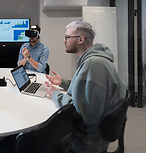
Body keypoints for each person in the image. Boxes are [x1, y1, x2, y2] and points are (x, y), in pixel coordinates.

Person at [45, 21, 126, 153]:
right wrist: (63, 82)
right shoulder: (96, 60)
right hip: (96, 132)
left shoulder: (93, 64)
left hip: (86, 140)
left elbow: (84, 115)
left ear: (81, 39)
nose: (64, 40)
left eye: (67, 37)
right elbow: (87, 90)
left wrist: (55, 94)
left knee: (40, 133)